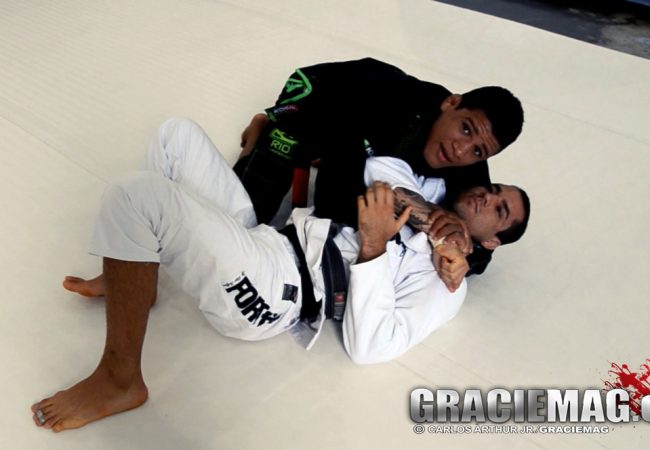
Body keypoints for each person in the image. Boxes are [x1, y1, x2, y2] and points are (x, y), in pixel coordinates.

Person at [31, 118, 530, 432]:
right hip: (269, 237)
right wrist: (436, 224)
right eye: (494, 190)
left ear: (491, 242)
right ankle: (135, 274)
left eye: (500, 211)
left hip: (277, 292)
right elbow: (379, 169)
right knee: (175, 137)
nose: (487, 198)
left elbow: (372, 347)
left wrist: (375, 247)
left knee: (136, 195)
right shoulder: (430, 195)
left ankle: (119, 378)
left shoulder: (447, 284)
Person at [234, 57, 525, 274]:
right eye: (465, 129)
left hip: (364, 138)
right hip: (323, 96)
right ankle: (264, 129)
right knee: (245, 213)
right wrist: (422, 223)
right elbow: (331, 203)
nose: (460, 149)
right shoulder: (390, 106)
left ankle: (317, 155)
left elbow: (482, 244)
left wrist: (459, 251)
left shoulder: (469, 162)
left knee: (367, 178)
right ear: (451, 103)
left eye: (478, 151)